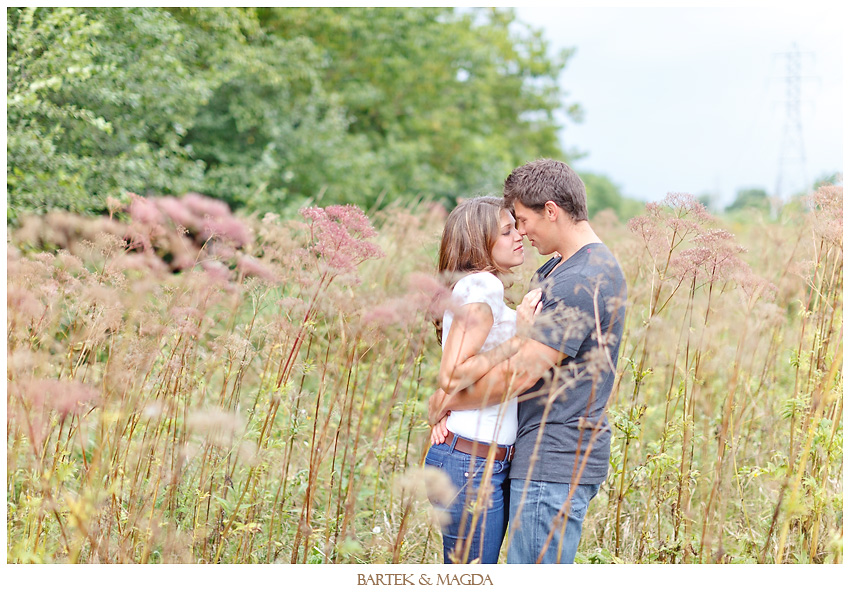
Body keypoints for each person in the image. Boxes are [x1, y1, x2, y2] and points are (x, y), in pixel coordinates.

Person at [429, 159, 627, 564]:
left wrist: (444, 402)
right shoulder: (559, 268)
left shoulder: (581, 278)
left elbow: (517, 375)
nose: (521, 231)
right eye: (511, 225)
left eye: (521, 220)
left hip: (552, 458)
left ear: (551, 211)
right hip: (530, 454)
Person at [424, 196, 543, 564]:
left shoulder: (479, 287)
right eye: (507, 231)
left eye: (516, 227)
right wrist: (520, 340)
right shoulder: (482, 287)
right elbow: (453, 373)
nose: (518, 235)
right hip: (470, 463)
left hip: (474, 460)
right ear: (479, 243)